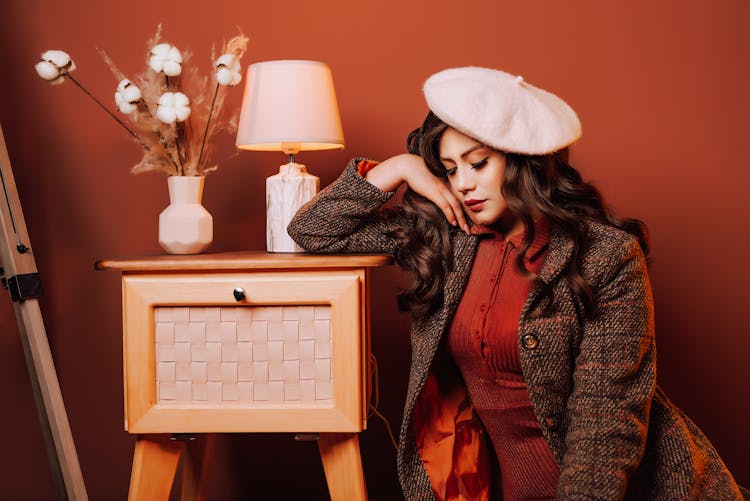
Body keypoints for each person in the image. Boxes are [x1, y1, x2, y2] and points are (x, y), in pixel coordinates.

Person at [288, 67, 748, 500]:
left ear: (523, 160)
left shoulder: (605, 255)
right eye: (449, 168)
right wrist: (400, 167)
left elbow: (606, 421)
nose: (463, 183)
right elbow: (312, 230)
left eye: (478, 163)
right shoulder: (448, 238)